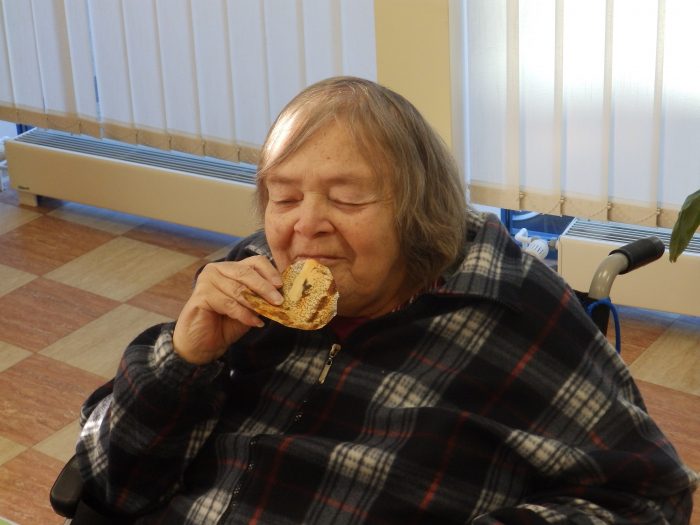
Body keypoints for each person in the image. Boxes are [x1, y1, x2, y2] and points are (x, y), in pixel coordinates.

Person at [76, 76, 698, 524]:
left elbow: (646, 498)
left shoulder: (509, 312)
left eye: (347, 199)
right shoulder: (249, 281)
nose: (305, 226)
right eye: (284, 198)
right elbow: (112, 482)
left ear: (417, 211)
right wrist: (182, 361)